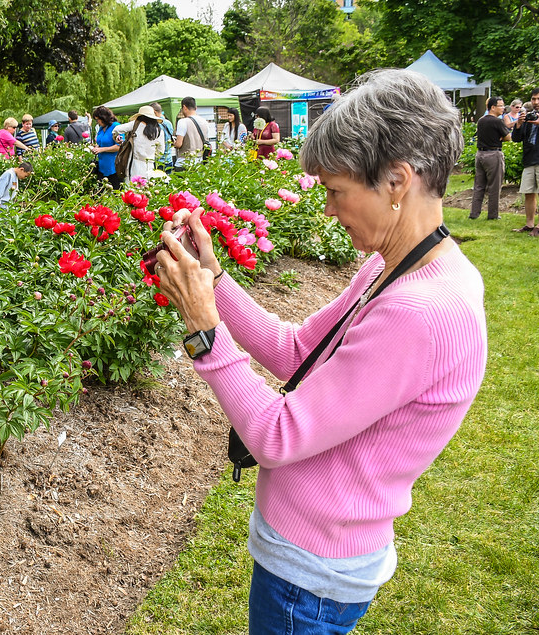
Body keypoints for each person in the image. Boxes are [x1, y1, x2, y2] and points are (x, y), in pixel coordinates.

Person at [153, 69, 486, 635]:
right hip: (318, 556)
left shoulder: (420, 312)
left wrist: (205, 331)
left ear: (398, 181)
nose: (328, 209)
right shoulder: (400, 265)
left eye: (336, 191)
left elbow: (277, 437)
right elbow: (296, 350)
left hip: (311, 575)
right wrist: (213, 275)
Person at [511, 87, 539, 236]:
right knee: (528, 193)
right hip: (529, 160)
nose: (536, 102)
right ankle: (529, 224)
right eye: (533, 99)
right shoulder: (529, 115)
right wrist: (518, 125)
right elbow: (516, 138)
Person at [469, 97, 511, 220]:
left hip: (480, 155)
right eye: (501, 106)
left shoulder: (481, 121)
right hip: (493, 154)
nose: (503, 108)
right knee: (494, 186)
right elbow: (508, 137)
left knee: (479, 186)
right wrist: (501, 138)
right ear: (493, 107)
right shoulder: (497, 121)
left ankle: (474, 213)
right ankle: (493, 214)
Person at [114, 105, 165, 180]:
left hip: (134, 164)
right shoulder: (159, 131)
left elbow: (116, 129)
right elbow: (160, 151)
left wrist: (116, 138)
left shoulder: (136, 124)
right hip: (149, 165)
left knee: (132, 188)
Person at [89, 106, 121, 189]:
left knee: (114, 193)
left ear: (104, 118)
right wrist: (96, 147)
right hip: (101, 166)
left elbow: (119, 146)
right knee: (99, 194)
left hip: (113, 167)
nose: (97, 122)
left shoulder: (116, 126)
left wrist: (102, 149)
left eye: (98, 119)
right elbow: (100, 143)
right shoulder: (101, 128)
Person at [172, 97, 207, 170]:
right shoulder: (204, 121)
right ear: (196, 108)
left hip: (184, 161)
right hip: (199, 161)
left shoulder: (182, 122)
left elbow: (179, 144)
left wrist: (174, 143)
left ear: (184, 107)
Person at [151, 102, 176, 171]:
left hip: (158, 161)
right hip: (168, 158)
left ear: (155, 112)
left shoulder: (155, 125)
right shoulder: (168, 123)